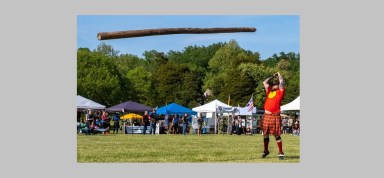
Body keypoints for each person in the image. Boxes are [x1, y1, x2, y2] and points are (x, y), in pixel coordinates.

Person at [261, 72, 286, 160]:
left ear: (278, 86)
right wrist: (271, 76)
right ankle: (266, 150)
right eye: (273, 85)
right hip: (266, 116)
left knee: (276, 135)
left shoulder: (280, 92)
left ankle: (280, 152)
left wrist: (279, 74)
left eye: (276, 85)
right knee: (265, 134)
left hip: (275, 116)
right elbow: (264, 82)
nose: (274, 86)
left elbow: (282, 81)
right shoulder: (269, 92)